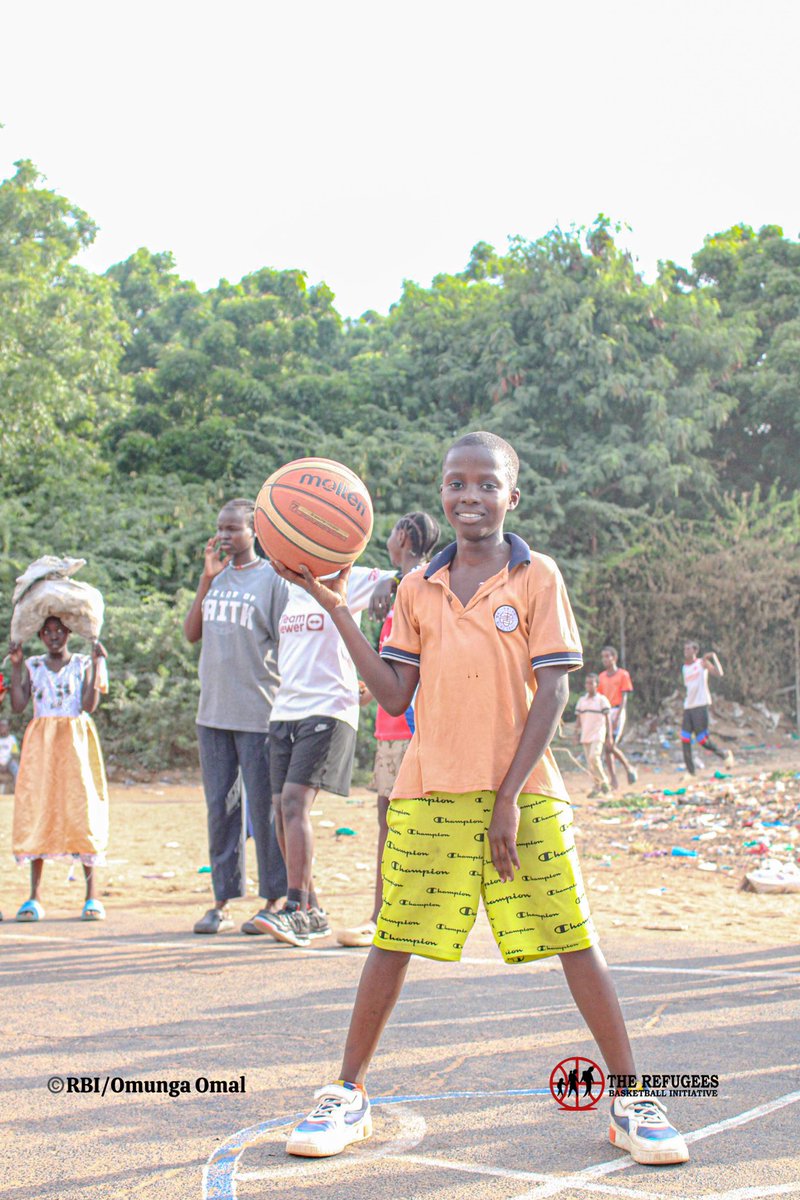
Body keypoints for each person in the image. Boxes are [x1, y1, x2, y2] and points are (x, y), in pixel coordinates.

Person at [272, 430, 688, 1167]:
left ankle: (631, 1097)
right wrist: (336, 607)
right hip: (429, 791)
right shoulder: (415, 588)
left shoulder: (537, 577)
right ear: (442, 493)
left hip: (522, 793)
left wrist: (506, 800)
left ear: (511, 496)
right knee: (392, 940)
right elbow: (396, 690)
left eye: (486, 484)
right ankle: (346, 1093)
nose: (470, 495)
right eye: (456, 483)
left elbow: (555, 688)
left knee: (574, 939)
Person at [252, 563, 396, 948]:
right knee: (282, 808)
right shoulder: (288, 583)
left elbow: (398, 578)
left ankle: (295, 907)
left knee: (297, 802)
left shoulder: (347, 573)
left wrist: (388, 585)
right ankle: (312, 910)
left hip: (329, 707)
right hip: (285, 709)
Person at [184, 498, 289, 935]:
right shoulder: (217, 577)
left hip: (259, 712)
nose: (225, 536)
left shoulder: (272, 580)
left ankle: (274, 898)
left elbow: (289, 642)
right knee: (220, 808)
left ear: (255, 532)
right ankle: (222, 900)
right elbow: (192, 633)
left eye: (233, 529)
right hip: (213, 714)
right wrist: (205, 580)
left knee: (265, 808)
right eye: (220, 529)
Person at [336, 511, 440, 948]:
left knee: (395, 821)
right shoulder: (400, 586)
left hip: (408, 725)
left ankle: (387, 916)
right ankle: (399, 912)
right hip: (394, 721)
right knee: (399, 821)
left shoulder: (411, 585)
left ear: (402, 536)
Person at [9, 618, 109, 921]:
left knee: (82, 812)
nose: (54, 637)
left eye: (60, 631)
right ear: (40, 635)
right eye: (48, 632)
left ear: (69, 633)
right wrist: (15, 665)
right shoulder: (33, 665)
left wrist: (97, 664)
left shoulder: (80, 663)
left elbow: (88, 705)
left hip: (76, 745)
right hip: (42, 746)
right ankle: (34, 897)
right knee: (39, 811)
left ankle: (92, 897)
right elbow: (17, 705)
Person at [681, 642, 735, 775]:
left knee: (702, 740)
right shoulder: (684, 668)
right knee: (685, 738)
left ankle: (724, 754)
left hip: (700, 706)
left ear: (695, 650)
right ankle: (690, 772)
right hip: (689, 707)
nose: (685, 651)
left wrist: (714, 658)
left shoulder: (701, 663)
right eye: (684, 649)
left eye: (688, 649)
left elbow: (719, 673)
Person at [597, 646, 638, 789]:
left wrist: (618, 716)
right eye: (603, 657)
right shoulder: (601, 677)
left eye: (607, 656)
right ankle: (615, 777)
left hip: (617, 710)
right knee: (607, 747)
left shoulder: (623, 675)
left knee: (610, 745)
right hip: (606, 712)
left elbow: (624, 698)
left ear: (614, 658)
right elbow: (600, 698)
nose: (605, 659)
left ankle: (627, 768)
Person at [574, 673, 612, 797]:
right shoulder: (582, 701)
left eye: (591, 683)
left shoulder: (602, 700)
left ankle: (605, 783)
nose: (589, 686)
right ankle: (597, 787)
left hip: (598, 733)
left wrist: (609, 736)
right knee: (590, 764)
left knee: (593, 757)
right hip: (586, 734)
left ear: (597, 685)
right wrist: (576, 733)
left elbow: (608, 719)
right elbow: (578, 719)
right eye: (587, 683)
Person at [0, 717, 20, 788]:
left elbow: (14, 754)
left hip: (9, 762)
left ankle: (17, 790)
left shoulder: (12, 739)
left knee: (17, 770)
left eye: (3, 725)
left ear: (8, 727)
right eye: (0, 725)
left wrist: (6, 764)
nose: (1, 727)